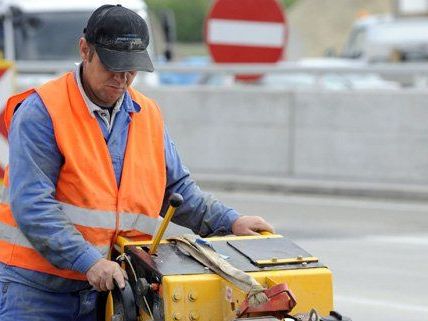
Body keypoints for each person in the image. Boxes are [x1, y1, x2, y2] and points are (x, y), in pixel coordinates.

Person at [0, 4, 273, 321]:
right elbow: (32, 204)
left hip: (111, 289)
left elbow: (178, 189)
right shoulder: (42, 112)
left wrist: (232, 221)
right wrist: (88, 261)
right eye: (112, 66)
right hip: (38, 292)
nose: (122, 78)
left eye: (131, 68)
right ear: (85, 50)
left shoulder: (147, 114)